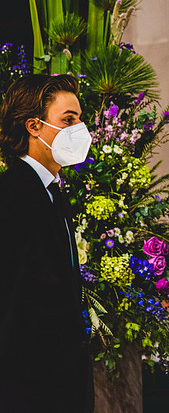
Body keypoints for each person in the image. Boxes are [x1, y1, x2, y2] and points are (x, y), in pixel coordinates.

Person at [0, 74, 93, 412]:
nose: (79, 129)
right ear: (34, 126)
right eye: (68, 120)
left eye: (80, 119)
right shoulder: (11, 193)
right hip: (27, 385)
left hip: (60, 381)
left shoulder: (53, 191)